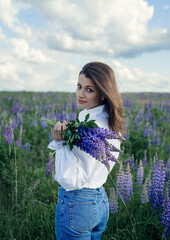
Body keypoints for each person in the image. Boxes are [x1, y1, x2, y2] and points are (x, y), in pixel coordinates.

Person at [48, 62, 125, 240]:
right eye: (79, 86)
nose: (80, 94)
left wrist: (60, 142)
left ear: (103, 94)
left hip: (78, 203)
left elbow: (67, 179)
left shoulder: (89, 129)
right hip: (100, 201)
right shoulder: (112, 122)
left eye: (89, 89)